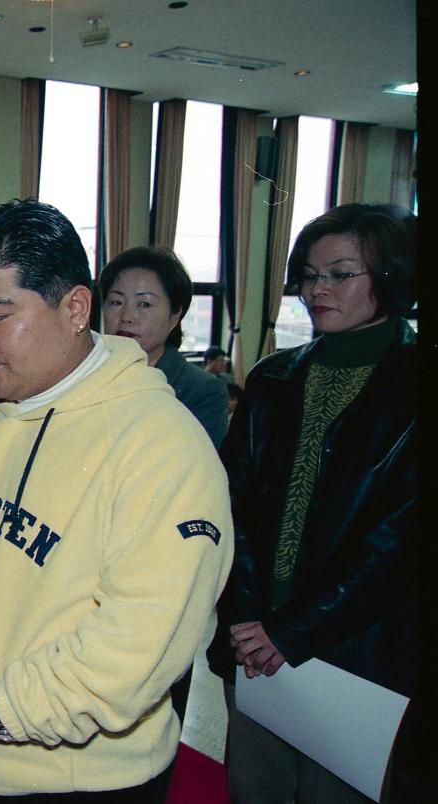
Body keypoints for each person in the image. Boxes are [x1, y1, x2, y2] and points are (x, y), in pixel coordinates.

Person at [0, 199, 232, 802]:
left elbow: (142, 636)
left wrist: (4, 711)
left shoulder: (163, 443)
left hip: (80, 779)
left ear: (75, 308)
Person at [208, 203, 416, 803]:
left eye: (339, 273)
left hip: (355, 650)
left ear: (390, 277)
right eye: (307, 274)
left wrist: (293, 631)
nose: (316, 289)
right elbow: (232, 502)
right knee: (254, 787)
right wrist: (249, 617)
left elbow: (399, 541)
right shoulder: (274, 378)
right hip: (253, 639)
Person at [99, 245, 229, 448]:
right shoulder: (86, 376)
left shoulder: (203, 391)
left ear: (175, 315)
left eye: (144, 304)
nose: (126, 317)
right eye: (116, 302)